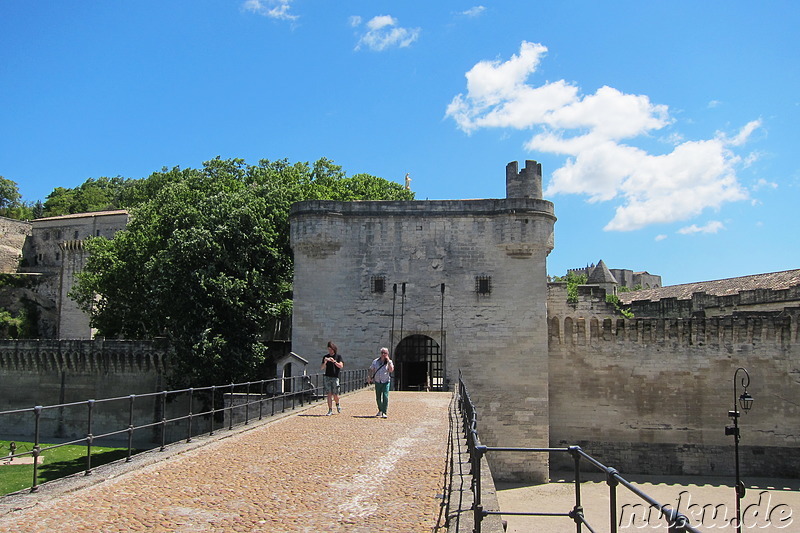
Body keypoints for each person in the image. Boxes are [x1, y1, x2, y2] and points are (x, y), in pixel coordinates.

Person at [368, 347, 394, 418]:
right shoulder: (375, 361)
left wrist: (388, 361)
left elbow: (391, 370)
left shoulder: (389, 362)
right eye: (382, 353)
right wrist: (369, 377)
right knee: (378, 397)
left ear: (387, 354)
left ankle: (384, 412)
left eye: (385, 353)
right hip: (377, 381)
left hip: (385, 381)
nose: (383, 354)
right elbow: (370, 369)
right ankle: (380, 410)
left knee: (385, 396)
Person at [321, 341, 344, 416]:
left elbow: (341, 366)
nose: (330, 351)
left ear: (334, 349)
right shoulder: (325, 357)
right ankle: (330, 409)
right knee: (329, 394)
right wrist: (325, 362)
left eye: (331, 349)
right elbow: (322, 368)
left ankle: (337, 404)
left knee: (335, 394)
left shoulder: (338, 357)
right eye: (329, 349)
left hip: (335, 377)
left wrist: (334, 362)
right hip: (327, 377)